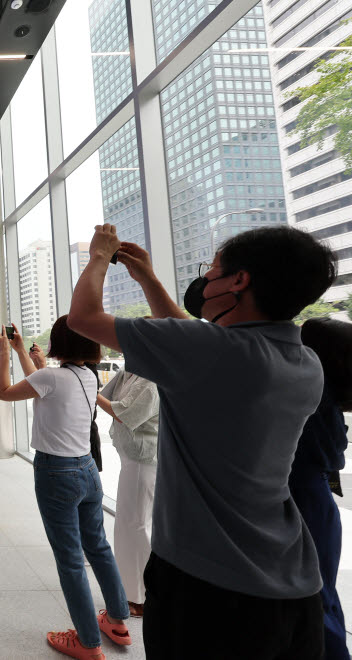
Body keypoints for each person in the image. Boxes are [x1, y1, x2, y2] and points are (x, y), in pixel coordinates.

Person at [67, 224, 337, 659]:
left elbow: (82, 319)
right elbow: (196, 340)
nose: (205, 280)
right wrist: (149, 281)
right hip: (293, 582)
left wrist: (99, 255)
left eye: (211, 271)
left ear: (239, 280)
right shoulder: (305, 363)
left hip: (208, 586)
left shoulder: (210, 351)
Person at [0, 318, 130, 659]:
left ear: (59, 344)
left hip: (57, 473)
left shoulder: (50, 377)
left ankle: (87, 642)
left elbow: (5, 392)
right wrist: (23, 353)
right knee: (98, 547)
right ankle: (117, 620)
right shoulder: (87, 376)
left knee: (70, 560)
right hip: (88, 470)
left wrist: (3, 355)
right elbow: (40, 382)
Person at [292, 318, 352, 660]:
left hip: (303, 503)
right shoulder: (323, 395)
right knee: (322, 593)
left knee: (313, 598)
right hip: (318, 502)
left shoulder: (306, 395)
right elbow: (334, 459)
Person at [97, 364, 160, 619]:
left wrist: (91, 392)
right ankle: (131, 591)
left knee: (136, 525)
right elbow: (107, 395)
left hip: (143, 458)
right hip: (131, 455)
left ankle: (143, 597)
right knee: (128, 524)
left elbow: (122, 412)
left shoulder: (151, 379)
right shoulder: (128, 371)